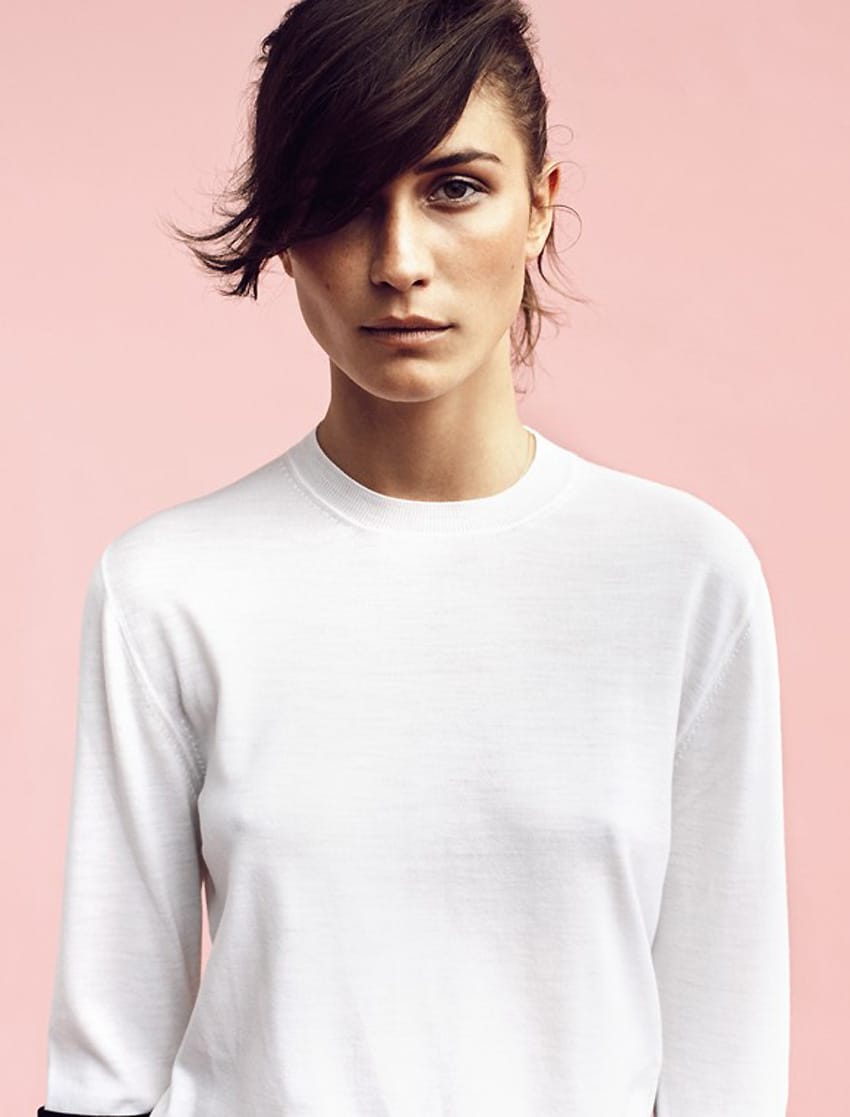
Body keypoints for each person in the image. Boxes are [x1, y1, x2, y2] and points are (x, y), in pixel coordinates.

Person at [36, 1, 790, 1115]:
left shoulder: (683, 576)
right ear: (285, 230)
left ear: (539, 207)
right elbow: (106, 1070)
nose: (398, 263)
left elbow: (726, 1061)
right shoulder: (168, 589)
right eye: (343, 197)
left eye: (455, 188)